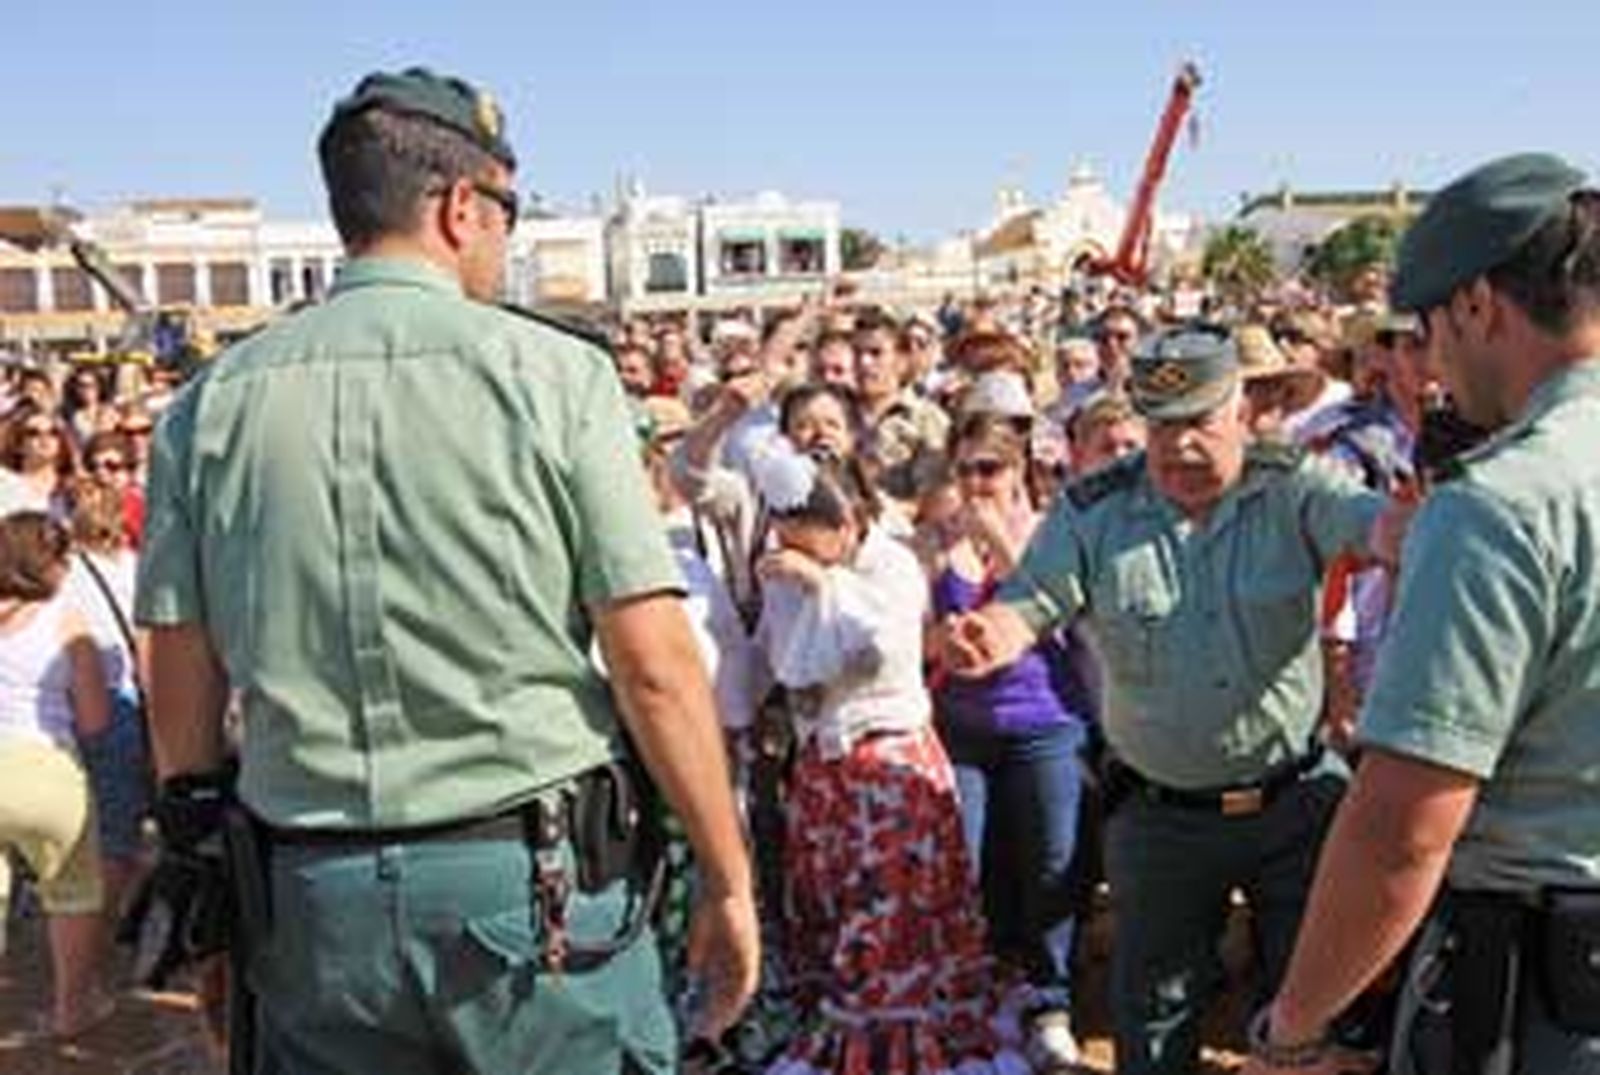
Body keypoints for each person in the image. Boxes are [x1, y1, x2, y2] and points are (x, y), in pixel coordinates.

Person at [132, 67, 758, 1073]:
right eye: (508, 211)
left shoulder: (211, 406)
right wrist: (728, 878)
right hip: (529, 903)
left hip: (310, 905)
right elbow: (652, 665)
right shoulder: (555, 375)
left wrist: (204, 889)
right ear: (460, 207)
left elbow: (180, 668)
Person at [943, 325, 1400, 1075]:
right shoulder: (1096, 507)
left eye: (1199, 422)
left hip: (1294, 806)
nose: (1180, 446)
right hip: (1162, 820)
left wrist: (1420, 528)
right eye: (1163, 426)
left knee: (1312, 1013)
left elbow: (1372, 524)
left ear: (1243, 412)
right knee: (1153, 1019)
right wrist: (990, 633)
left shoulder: (1294, 486)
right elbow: (1032, 598)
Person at [1247, 154, 1600, 1075]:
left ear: (1480, 304)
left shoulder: (1502, 502)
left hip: (1537, 1006)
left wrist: (1296, 1028)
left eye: (1430, 328)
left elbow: (1406, 825)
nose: (1429, 364)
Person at [748, 447, 1023, 1073]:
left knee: (895, 917)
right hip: (825, 765)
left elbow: (885, 650)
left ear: (847, 525)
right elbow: (784, 662)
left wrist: (826, 583)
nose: (803, 553)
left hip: (890, 765)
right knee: (835, 906)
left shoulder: (892, 565)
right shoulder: (786, 566)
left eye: (814, 542)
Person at [927, 414, 1099, 1071]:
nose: (975, 483)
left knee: (1053, 863)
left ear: (1020, 470)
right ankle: (981, 995)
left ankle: (1051, 1001)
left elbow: (1061, 612)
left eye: (990, 468)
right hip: (963, 727)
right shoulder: (935, 540)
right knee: (964, 865)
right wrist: (938, 637)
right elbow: (911, 633)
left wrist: (997, 537)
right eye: (964, 469)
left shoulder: (1050, 530)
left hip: (1046, 720)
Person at [0, 510, 114, 1039]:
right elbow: (94, 719)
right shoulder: (65, 621)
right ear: (51, 562)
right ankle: (73, 1010)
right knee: (73, 891)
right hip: (47, 768)